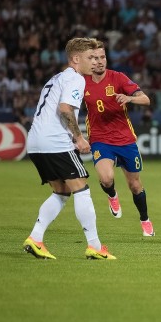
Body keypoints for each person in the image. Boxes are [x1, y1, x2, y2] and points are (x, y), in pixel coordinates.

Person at [23, 37, 116, 260]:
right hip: (55, 140)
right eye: (90, 58)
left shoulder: (57, 77)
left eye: (97, 57)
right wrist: (78, 137)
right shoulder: (76, 79)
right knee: (81, 189)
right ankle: (95, 246)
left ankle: (35, 239)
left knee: (62, 191)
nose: (95, 62)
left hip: (36, 141)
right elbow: (65, 109)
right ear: (76, 59)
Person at [84, 41, 155, 236]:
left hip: (125, 140)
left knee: (135, 185)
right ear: (87, 60)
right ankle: (112, 195)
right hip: (100, 139)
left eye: (102, 57)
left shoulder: (118, 78)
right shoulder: (81, 81)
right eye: (94, 58)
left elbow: (146, 99)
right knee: (106, 179)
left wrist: (130, 98)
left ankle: (145, 219)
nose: (99, 61)